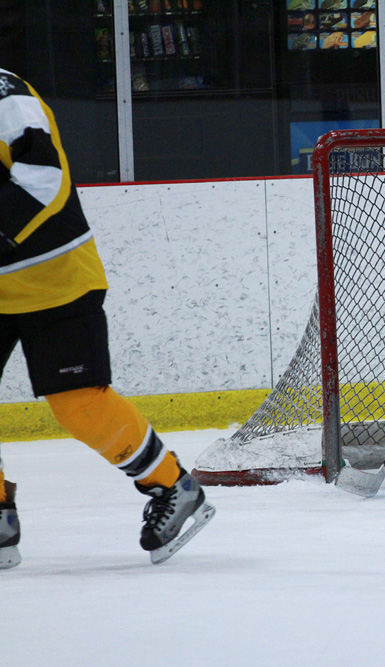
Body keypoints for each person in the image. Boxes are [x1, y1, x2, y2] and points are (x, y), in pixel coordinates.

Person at [0, 68, 214, 568]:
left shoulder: (4, 95)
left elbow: (44, 178)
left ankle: (172, 486)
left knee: (79, 403)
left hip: (53, 275)